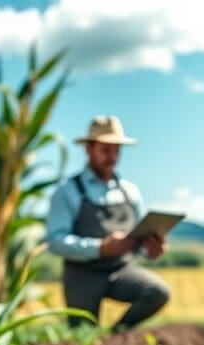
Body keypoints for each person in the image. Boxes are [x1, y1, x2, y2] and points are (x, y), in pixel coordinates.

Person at [46, 115, 170, 329]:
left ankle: (115, 339)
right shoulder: (67, 191)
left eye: (116, 150)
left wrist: (151, 249)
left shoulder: (130, 191)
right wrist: (100, 248)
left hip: (121, 271)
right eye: (105, 150)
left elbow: (138, 240)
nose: (112, 157)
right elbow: (55, 241)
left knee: (158, 292)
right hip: (82, 275)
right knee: (82, 336)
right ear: (88, 149)